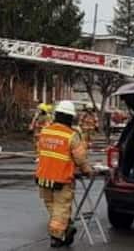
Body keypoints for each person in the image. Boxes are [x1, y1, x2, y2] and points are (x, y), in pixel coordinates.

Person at [35, 100, 93, 248]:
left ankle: (64, 228)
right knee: (61, 207)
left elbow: (40, 152)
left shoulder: (45, 131)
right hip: (61, 178)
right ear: (70, 117)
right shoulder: (70, 135)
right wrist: (87, 170)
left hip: (43, 177)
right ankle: (57, 235)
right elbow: (80, 158)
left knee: (51, 205)